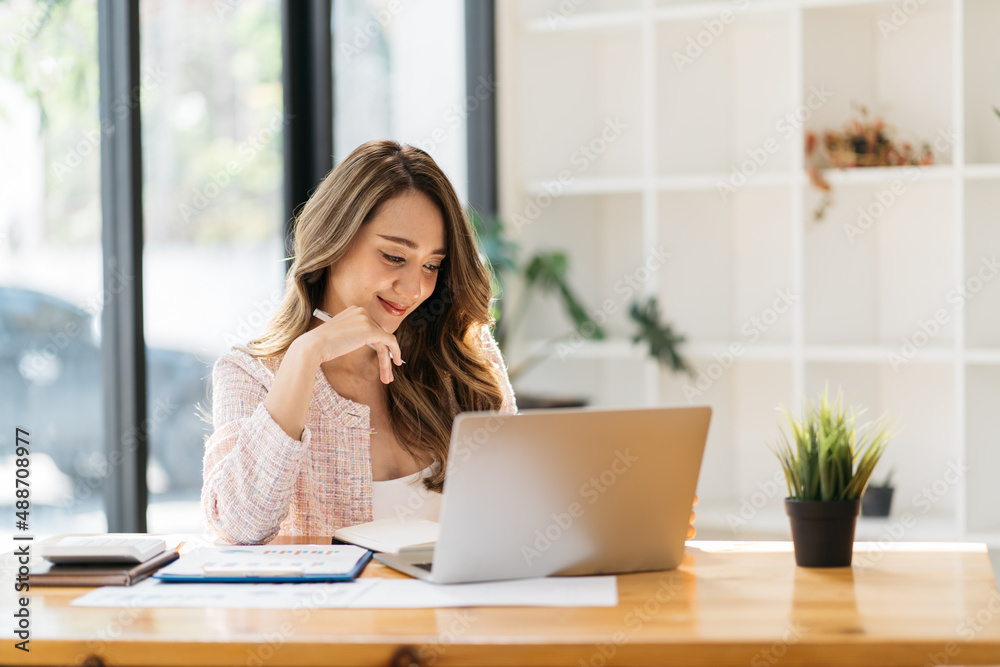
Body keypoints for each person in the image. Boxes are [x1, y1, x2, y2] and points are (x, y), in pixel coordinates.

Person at [201, 140, 516, 545]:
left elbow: (514, 512)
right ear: (335, 240)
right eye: (394, 257)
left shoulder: (464, 358)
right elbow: (239, 527)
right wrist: (304, 356)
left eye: (432, 265)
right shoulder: (249, 375)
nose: (415, 287)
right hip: (327, 610)